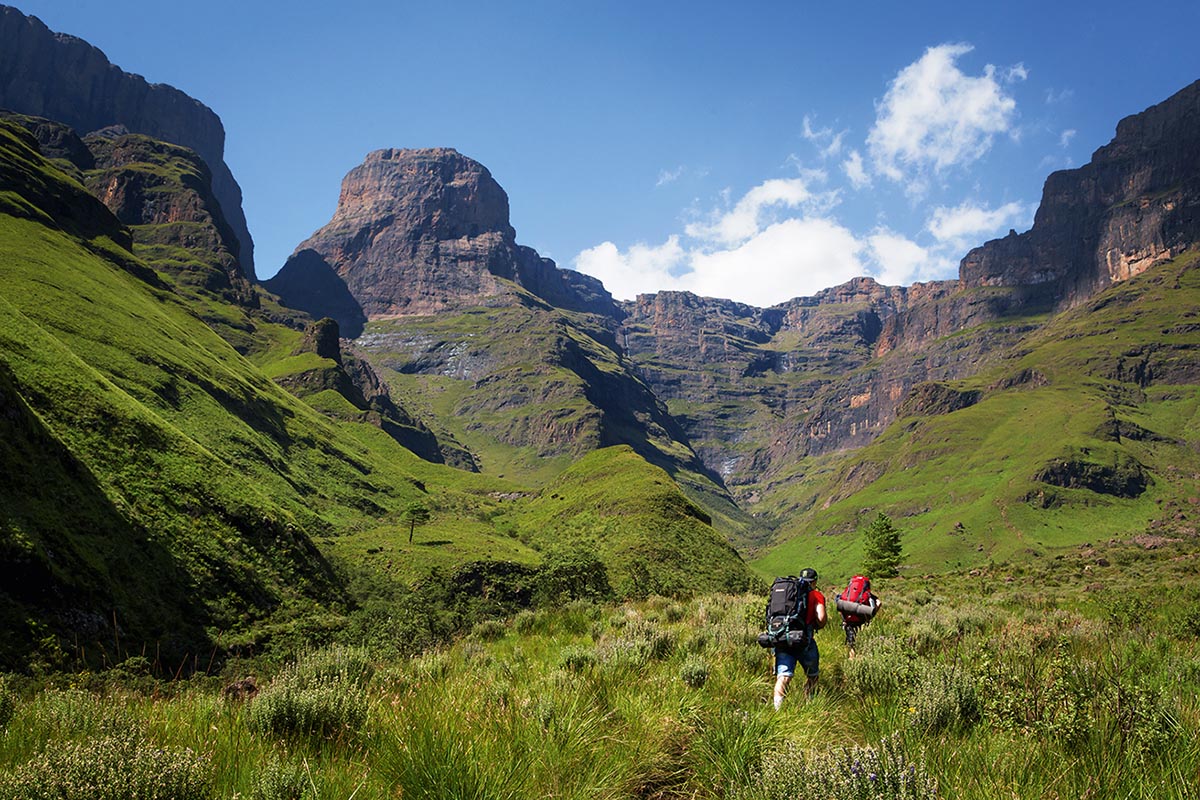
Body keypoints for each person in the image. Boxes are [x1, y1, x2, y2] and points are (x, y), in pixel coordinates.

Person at [773, 567, 827, 709]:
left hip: (783, 637)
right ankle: (809, 704)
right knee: (812, 675)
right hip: (804, 640)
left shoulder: (790, 593)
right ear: (814, 581)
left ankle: (777, 711)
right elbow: (821, 618)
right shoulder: (816, 595)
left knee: (783, 677)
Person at [835, 574, 880, 659]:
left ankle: (851, 662)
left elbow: (841, 606)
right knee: (864, 644)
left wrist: (844, 619)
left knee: (852, 645)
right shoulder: (867, 594)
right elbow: (878, 603)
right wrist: (871, 616)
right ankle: (861, 661)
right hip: (862, 621)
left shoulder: (847, 592)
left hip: (848, 622)